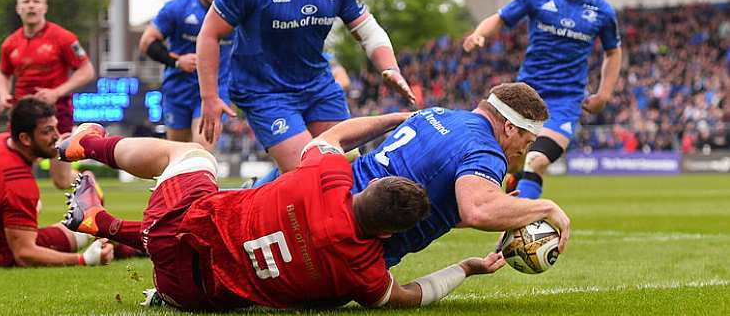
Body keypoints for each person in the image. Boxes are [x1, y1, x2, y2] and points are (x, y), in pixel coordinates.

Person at [58, 114, 505, 311]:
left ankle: (87, 145)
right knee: (234, 245)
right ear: (387, 238)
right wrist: (465, 268)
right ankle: (105, 225)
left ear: (364, 185)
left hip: (173, 228)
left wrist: (403, 119)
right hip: (191, 298)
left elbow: (339, 135)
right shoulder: (366, 271)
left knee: (193, 156)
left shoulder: (328, 176)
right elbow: (410, 296)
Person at [197, 0, 415, 174]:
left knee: (345, 167)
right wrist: (209, 97)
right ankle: (257, 196)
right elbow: (209, 34)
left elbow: (368, 30)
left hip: (317, 86)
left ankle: (259, 190)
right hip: (265, 91)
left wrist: (390, 68)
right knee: (308, 172)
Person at [462, 0, 622, 199]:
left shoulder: (602, 11)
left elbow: (613, 52)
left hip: (565, 101)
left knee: (536, 160)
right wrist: (480, 33)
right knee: (511, 162)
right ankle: (512, 205)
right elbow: (501, 18)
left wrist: (604, 94)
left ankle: (520, 225)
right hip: (527, 94)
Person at [351, 82, 570, 267]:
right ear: (510, 128)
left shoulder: (437, 113)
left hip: (332, 198)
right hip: (355, 246)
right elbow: (476, 211)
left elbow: (429, 192)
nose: (523, 151)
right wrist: (546, 207)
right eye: (528, 141)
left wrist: (505, 210)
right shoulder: (486, 149)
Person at [0, 97, 112, 267]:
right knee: (87, 225)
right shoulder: (18, 183)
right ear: (25, 139)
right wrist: (84, 259)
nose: (56, 136)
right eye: (47, 131)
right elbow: (25, 254)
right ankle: (122, 245)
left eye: (56, 128)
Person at [0, 0, 96, 189]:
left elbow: (87, 70)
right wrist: (3, 94)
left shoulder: (63, 38)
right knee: (13, 169)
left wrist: (56, 92)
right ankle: (21, 209)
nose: (31, 6)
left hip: (57, 114)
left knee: (61, 181)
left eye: (36, 2)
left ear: (44, 8)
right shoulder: (10, 43)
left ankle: (88, 185)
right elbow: (3, 73)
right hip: (22, 115)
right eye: (26, 2)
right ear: (18, 8)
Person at [139, 0, 232, 148]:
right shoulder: (177, 8)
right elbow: (147, 42)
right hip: (178, 90)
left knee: (201, 148)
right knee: (178, 154)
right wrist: (177, 61)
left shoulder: (235, 10)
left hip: (215, 90)